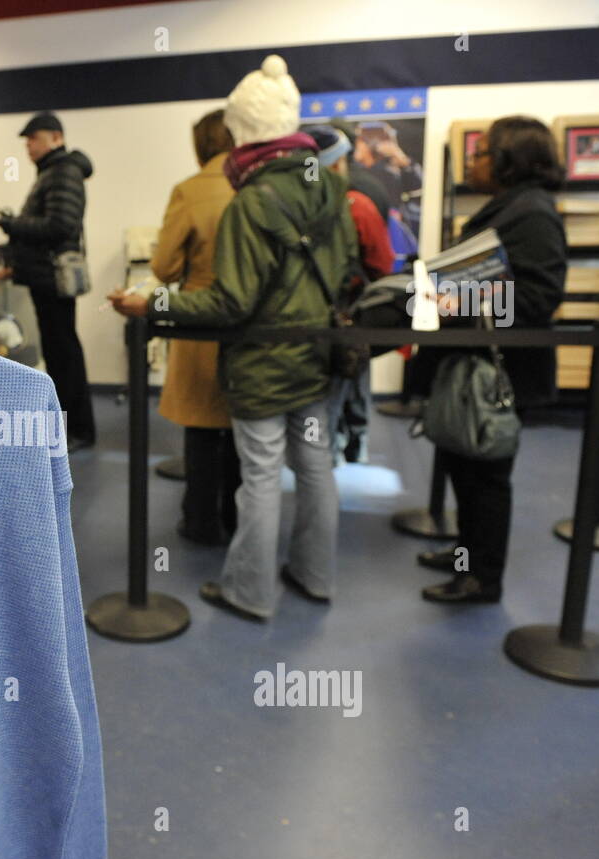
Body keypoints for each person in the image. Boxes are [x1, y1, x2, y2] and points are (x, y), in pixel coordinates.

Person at [111, 55, 358, 621]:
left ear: (244, 131)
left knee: (262, 475)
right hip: (316, 354)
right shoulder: (329, 189)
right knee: (317, 467)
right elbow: (345, 273)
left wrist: (152, 301)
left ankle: (250, 592)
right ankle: (316, 575)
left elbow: (231, 303)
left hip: (263, 361)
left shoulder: (253, 199)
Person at [417, 116, 568, 603]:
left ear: (508, 160)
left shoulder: (533, 213)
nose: (473, 162)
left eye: (481, 153)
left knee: (486, 477)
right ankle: (466, 556)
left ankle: (482, 577)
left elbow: (540, 297)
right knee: (464, 464)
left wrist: (462, 294)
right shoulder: (513, 208)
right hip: (478, 364)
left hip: (500, 371)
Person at [151, 110, 239, 545]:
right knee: (243, 429)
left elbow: (164, 267)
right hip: (248, 323)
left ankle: (201, 521)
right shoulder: (255, 187)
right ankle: (236, 517)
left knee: (202, 429)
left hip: (198, 318)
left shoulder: (190, 191)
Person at [0, 112, 97, 451]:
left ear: (55, 137)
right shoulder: (55, 172)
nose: (28, 146)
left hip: (51, 279)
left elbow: (59, 226)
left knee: (63, 353)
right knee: (61, 351)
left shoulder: (62, 172)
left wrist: (14, 225)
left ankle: (77, 430)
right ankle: (72, 428)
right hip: (47, 278)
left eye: (33, 138)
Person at [304, 124, 394, 464]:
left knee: (314, 408)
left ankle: (320, 453)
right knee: (344, 385)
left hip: (299, 325)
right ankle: (348, 443)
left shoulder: (287, 204)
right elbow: (381, 265)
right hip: (347, 316)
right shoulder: (360, 201)